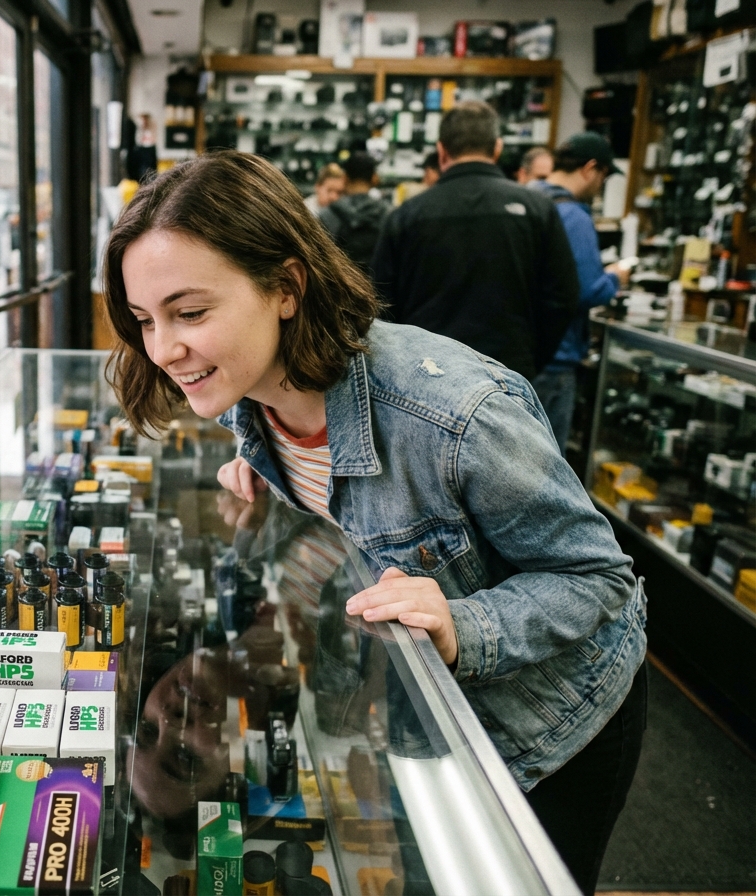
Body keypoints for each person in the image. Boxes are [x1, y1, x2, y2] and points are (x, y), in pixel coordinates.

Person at [103, 150, 647, 896]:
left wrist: (461, 624)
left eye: (190, 313)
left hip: (555, 726)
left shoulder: (456, 416)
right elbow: (343, 531)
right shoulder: (247, 395)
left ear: (286, 287)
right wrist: (268, 498)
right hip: (427, 726)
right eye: (144, 320)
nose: (164, 350)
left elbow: (597, 579)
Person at [371, 101, 580, 380]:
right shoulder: (537, 209)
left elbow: (380, 304)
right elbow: (563, 297)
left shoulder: (407, 216)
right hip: (509, 372)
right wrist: (528, 359)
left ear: (442, 151)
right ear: (497, 148)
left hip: (428, 374)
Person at [529, 133, 629, 453]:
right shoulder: (573, 215)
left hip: (518, 353)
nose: (600, 185)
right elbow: (587, 291)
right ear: (590, 169)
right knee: (545, 466)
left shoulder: (526, 199)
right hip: (556, 357)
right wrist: (616, 278)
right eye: (602, 176)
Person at [318, 152, 389, 272]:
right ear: (374, 178)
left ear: (345, 178)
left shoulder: (328, 215)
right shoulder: (389, 215)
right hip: (378, 288)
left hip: (339, 287)